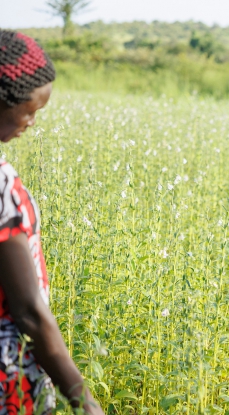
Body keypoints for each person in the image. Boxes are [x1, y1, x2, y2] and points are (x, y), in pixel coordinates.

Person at [0, 30, 104, 415]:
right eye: (29, 111)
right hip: (8, 378)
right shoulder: (0, 184)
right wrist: (84, 401)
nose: (31, 122)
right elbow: (27, 310)